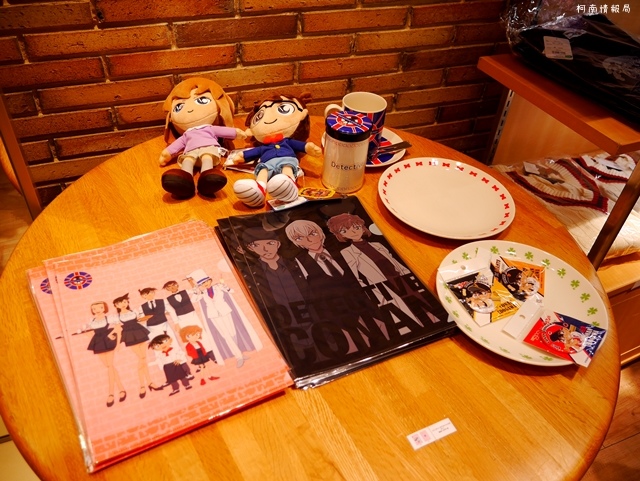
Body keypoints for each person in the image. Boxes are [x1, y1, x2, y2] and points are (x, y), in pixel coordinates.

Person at [225, 94, 321, 206]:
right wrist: (242, 156)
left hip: (286, 159)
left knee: (287, 167)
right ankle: (259, 189)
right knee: (263, 170)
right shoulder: (263, 147)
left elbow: (301, 146)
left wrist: (308, 147)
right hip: (267, 163)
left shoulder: (287, 141)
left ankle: (288, 184)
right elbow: (253, 153)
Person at [159, 77, 248, 198]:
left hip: (208, 149)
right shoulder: (186, 134)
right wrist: (166, 154)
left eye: (202, 100)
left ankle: (207, 179)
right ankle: (184, 181)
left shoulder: (209, 128)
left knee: (207, 157)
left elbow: (223, 131)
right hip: (190, 152)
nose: (190, 110)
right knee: (188, 160)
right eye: (179, 107)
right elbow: (176, 146)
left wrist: (237, 133)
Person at [187, 269, 262, 368]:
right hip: (214, 316)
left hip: (225, 312)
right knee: (226, 335)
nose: (205, 284)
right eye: (202, 283)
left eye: (206, 281)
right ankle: (239, 356)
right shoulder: (202, 293)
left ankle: (239, 353)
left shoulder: (218, 287)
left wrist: (225, 286)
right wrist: (196, 288)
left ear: (210, 280)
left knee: (232, 333)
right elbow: (193, 300)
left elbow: (232, 291)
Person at [112, 293, 163, 398]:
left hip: (140, 332)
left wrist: (146, 318)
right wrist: (117, 344)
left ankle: (149, 383)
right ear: (116, 305)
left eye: (125, 302)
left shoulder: (134, 311)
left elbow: (141, 320)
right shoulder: (117, 317)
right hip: (130, 336)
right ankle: (143, 385)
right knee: (141, 358)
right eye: (120, 303)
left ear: (127, 302)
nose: (123, 304)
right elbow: (118, 330)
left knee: (143, 359)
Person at [76, 301, 125, 407]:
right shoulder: (92, 321)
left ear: (104, 308)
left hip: (108, 341)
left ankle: (111, 393)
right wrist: (84, 332)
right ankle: (121, 389)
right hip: (98, 343)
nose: (97, 310)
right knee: (109, 366)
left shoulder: (109, 318)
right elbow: (90, 330)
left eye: (100, 308)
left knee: (110, 366)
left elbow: (119, 329)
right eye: (94, 309)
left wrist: (117, 344)